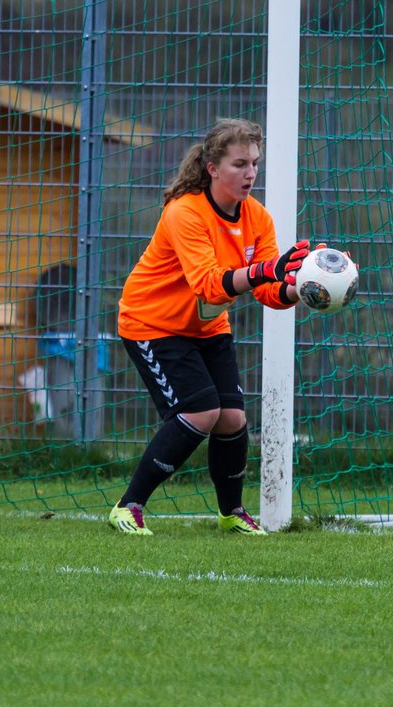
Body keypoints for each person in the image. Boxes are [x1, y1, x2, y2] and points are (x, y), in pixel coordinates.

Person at [109, 118, 309, 536]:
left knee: (232, 418)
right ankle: (128, 506)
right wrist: (268, 269)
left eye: (255, 163)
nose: (250, 173)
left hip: (206, 326)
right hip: (151, 323)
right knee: (202, 412)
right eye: (239, 163)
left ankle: (231, 513)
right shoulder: (185, 212)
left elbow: (269, 291)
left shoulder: (258, 218)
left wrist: (306, 286)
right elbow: (208, 284)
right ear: (213, 168)